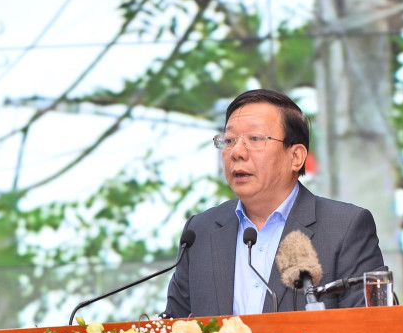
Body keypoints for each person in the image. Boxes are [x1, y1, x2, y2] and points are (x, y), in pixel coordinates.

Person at [164, 89, 386, 318]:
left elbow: (372, 325)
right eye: (229, 141)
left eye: (255, 139)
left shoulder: (344, 228)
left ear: (296, 157)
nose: (237, 152)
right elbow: (174, 327)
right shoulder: (200, 231)